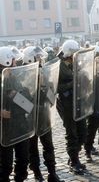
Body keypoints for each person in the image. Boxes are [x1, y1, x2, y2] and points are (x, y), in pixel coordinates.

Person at [22, 46, 64, 182]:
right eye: (38, 57)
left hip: (44, 115)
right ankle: (36, 172)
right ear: (30, 58)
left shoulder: (44, 72)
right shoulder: (21, 75)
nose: (41, 60)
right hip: (30, 117)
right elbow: (18, 98)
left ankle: (52, 173)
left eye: (40, 57)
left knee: (48, 145)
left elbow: (52, 96)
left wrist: (45, 86)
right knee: (32, 147)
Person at [0, 46, 32, 182]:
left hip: (19, 125)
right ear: (6, 61)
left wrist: (18, 97)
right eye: (13, 60)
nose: (16, 63)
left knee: (23, 159)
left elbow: (27, 102)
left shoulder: (14, 77)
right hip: (4, 128)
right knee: (5, 164)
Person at [56, 40, 87, 175]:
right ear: (69, 53)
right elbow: (55, 87)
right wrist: (73, 83)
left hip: (78, 101)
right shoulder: (58, 66)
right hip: (66, 103)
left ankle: (74, 156)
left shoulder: (75, 63)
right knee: (72, 133)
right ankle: (74, 161)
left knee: (83, 132)